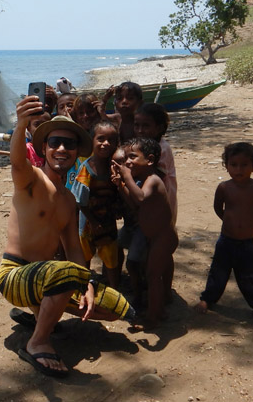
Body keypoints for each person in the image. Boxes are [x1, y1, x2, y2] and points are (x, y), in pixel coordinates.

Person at [0, 97, 135, 378]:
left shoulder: (69, 199)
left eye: (69, 144)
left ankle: (37, 314)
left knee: (113, 309)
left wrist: (88, 285)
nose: (61, 149)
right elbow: (16, 161)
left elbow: (73, 247)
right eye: (55, 142)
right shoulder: (31, 180)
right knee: (66, 273)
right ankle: (37, 342)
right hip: (14, 275)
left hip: (50, 277)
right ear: (44, 148)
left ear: (76, 153)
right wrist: (21, 124)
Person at [195, 142, 253, 323]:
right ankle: (207, 299)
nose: (239, 169)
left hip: (249, 242)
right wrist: (228, 221)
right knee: (218, 272)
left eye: (244, 165)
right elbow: (218, 207)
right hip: (226, 240)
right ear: (227, 166)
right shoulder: (224, 188)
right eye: (234, 165)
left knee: (252, 277)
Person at [111, 137, 177, 328]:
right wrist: (120, 186)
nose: (128, 162)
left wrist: (126, 176)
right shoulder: (143, 180)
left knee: (153, 276)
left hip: (163, 238)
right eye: (127, 158)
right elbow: (134, 205)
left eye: (133, 157)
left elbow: (139, 198)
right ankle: (159, 310)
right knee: (152, 274)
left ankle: (152, 318)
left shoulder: (153, 180)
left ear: (149, 160)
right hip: (154, 237)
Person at [70, 121, 121, 288]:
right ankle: (84, 291)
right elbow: (80, 200)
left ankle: (114, 291)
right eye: (101, 139)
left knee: (111, 257)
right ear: (92, 140)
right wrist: (92, 221)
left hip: (107, 220)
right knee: (85, 258)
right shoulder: (86, 169)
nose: (106, 144)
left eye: (111, 140)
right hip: (87, 222)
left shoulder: (114, 167)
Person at [133, 102, 178, 225]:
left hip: (161, 204)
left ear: (159, 128)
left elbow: (156, 176)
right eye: (136, 125)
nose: (140, 130)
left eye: (146, 126)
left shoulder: (162, 148)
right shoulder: (142, 145)